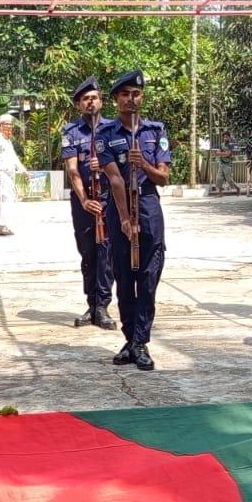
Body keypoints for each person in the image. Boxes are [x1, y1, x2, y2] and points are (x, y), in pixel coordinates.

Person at [99, 70, 170, 371]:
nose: (131, 99)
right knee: (125, 278)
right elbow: (114, 179)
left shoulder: (155, 131)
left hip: (149, 203)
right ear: (115, 99)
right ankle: (131, 338)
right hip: (119, 207)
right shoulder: (105, 135)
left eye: (136, 93)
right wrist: (126, 219)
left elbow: (164, 177)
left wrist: (147, 165)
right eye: (125, 93)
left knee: (149, 277)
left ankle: (140, 341)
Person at [61, 76, 116, 330]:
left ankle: (103, 306)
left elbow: (122, 168)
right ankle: (91, 304)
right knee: (87, 253)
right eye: (85, 99)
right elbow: (72, 170)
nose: (90, 103)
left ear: (101, 101)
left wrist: (104, 165)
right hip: (83, 201)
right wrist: (84, 200)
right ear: (78, 105)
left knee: (106, 252)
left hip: (109, 199)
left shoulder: (113, 129)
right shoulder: (71, 132)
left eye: (93, 98)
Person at [0, 113, 30, 236]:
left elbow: (14, 158)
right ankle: (1, 226)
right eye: (6, 125)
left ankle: (3, 224)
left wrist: (23, 170)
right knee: (4, 199)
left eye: (11, 125)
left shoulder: (7, 140)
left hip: (9, 175)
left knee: (9, 199)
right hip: (0, 174)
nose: (9, 127)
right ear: (0, 126)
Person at [212, 131, 240, 195]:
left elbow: (228, 154)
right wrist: (223, 153)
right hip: (221, 164)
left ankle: (237, 188)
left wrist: (221, 153)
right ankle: (220, 193)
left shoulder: (231, 145)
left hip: (228, 164)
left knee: (229, 180)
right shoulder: (221, 145)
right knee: (218, 179)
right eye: (224, 137)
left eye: (226, 137)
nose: (225, 138)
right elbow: (217, 153)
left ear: (229, 138)